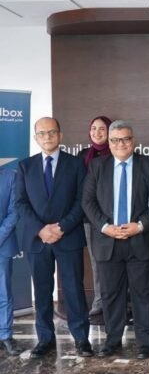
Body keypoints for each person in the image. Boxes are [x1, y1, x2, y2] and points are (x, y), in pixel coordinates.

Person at [82, 120, 149, 359]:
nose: (121, 144)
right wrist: (105, 227)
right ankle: (113, 340)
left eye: (125, 139)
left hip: (140, 240)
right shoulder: (97, 166)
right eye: (115, 140)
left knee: (144, 294)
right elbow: (87, 201)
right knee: (110, 294)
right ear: (109, 142)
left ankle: (146, 343)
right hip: (108, 242)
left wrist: (140, 225)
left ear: (133, 141)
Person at [16, 116, 92, 358]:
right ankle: (45, 339)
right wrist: (41, 229)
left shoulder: (76, 164)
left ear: (60, 135)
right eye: (42, 133)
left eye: (51, 132)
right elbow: (21, 203)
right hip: (37, 240)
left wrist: (61, 227)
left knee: (73, 289)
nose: (47, 137)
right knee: (42, 291)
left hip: (67, 236)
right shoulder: (25, 166)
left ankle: (82, 339)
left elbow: (82, 201)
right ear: (36, 138)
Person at [77, 115, 112, 317]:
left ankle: (121, 299)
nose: (97, 132)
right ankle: (100, 300)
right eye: (93, 128)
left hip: (115, 218)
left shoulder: (117, 153)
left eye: (102, 129)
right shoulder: (83, 155)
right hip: (90, 218)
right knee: (96, 261)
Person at [0, 167, 22, 356]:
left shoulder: (10, 176)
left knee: (4, 292)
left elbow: (14, 212)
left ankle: (5, 335)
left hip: (3, 244)